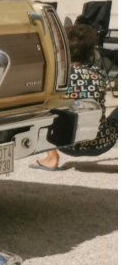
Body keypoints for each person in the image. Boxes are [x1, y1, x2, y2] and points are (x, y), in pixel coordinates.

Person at [34, 22, 117, 170]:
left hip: (63, 144)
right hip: (101, 144)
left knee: (43, 108)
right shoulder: (99, 75)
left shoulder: (57, 79)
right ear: (90, 52)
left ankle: (52, 157)